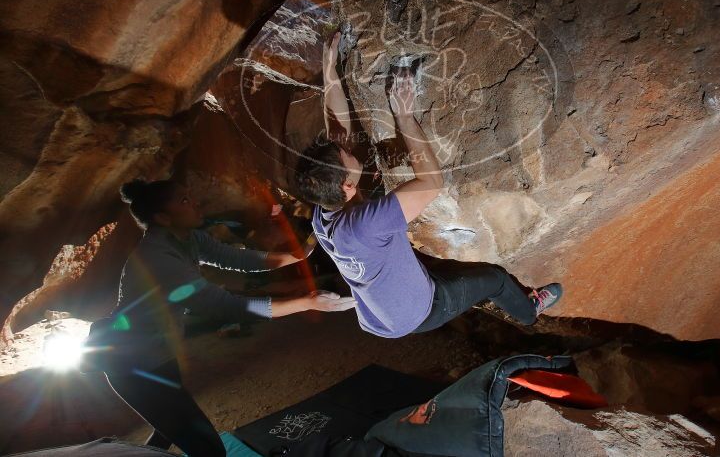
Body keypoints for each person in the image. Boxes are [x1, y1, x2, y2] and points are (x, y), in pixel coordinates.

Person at [293, 32, 562, 340]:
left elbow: (338, 129)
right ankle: (529, 312)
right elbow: (431, 182)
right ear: (348, 186)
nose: (346, 148)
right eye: (345, 157)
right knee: (495, 278)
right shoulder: (365, 224)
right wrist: (404, 116)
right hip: (422, 311)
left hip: (381, 311)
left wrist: (329, 69)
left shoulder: (325, 206)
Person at [101, 178, 355, 457]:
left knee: (168, 429)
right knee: (207, 448)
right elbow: (229, 307)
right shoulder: (158, 259)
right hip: (133, 366)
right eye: (184, 201)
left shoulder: (188, 238)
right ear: (162, 217)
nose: (196, 202)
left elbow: (235, 258)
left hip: (159, 355)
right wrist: (306, 302)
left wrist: (296, 256)